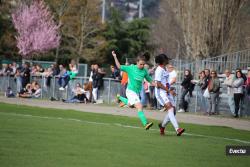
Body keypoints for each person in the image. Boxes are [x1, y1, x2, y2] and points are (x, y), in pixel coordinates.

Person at [112, 50, 155, 130]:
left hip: (136, 92)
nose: (142, 66)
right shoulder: (131, 68)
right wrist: (115, 56)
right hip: (130, 91)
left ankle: (120, 97)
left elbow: (149, 79)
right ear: (137, 62)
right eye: (140, 64)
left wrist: (155, 84)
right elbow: (119, 66)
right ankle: (145, 123)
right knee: (139, 106)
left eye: (143, 64)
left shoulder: (144, 71)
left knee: (131, 105)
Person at [154, 54, 185, 136]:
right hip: (160, 93)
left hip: (167, 92)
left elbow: (166, 82)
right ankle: (177, 129)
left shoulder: (165, 69)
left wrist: (170, 90)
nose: (168, 60)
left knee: (173, 111)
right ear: (163, 61)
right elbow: (159, 84)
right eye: (167, 59)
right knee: (170, 108)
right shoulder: (159, 70)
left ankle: (162, 126)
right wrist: (168, 90)